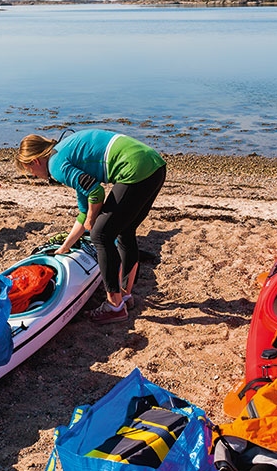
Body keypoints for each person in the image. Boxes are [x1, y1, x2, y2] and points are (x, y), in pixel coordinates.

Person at [16, 129, 166, 325]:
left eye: (31, 173)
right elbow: (84, 211)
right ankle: (125, 296)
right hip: (154, 165)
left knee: (101, 235)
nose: (35, 177)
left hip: (135, 170)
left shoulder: (55, 165)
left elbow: (96, 192)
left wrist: (93, 218)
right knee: (125, 231)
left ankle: (114, 306)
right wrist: (65, 247)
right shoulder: (64, 153)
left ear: (35, 161)